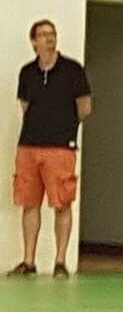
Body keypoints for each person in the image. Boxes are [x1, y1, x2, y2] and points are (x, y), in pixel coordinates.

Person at [11, 20, 91, 279]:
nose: (49, 38)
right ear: (33, 41)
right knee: (29, 203)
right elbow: (25, 106)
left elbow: (84, 107)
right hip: (29, 146)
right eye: (43, 34)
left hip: (60, 148)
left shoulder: (72, 70)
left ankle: (60, 261)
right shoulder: (27, 72)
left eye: (52, 33)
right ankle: (28, 261)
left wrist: (64, 127)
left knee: (62, 204)